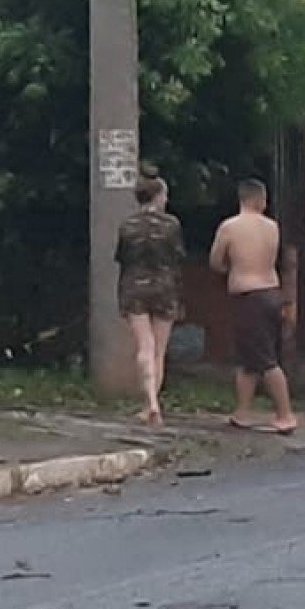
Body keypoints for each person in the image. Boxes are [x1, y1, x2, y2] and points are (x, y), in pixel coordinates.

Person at [209, 177, 297, 434]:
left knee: (265, 359)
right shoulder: (272, 227)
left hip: (248, 295)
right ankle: (243, 411)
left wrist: (230, 270)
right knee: (248, 358)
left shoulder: (230, 227)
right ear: (261, 199)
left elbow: (216, 261)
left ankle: (285, 414)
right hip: (271, 291)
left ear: (242, 198)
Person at [115, 175, 184, 426]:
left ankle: (149, 404)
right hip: (165, 287)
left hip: (134, 287)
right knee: (159, 350)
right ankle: (154, 403)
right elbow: (177, 256)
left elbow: (122, 257)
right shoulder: (172, 225)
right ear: (158, 196)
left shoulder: (127, 226)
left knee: (145, 346)